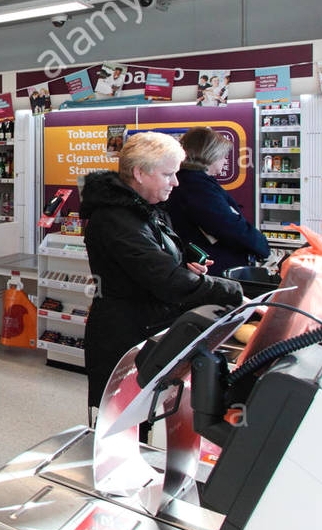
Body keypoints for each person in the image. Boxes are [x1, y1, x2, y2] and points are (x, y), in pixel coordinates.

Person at [80, 131, 243, 415]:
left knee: (143, 416)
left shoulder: (146, 209)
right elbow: (165, 280)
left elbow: (159, 265)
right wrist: (234, 291)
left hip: (147, 328)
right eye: (168, 174)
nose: (176, 182)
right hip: (123, 338)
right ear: (140, 173)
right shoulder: (115, 219)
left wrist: (184, 265)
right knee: (119, 422)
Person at [166, 128, 270, 276]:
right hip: (214, 269)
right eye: (223, 156)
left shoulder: (191, 181)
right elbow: (225, 224)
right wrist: (261, 246)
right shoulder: (197, 186)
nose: (225, 160)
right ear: (211, 155)